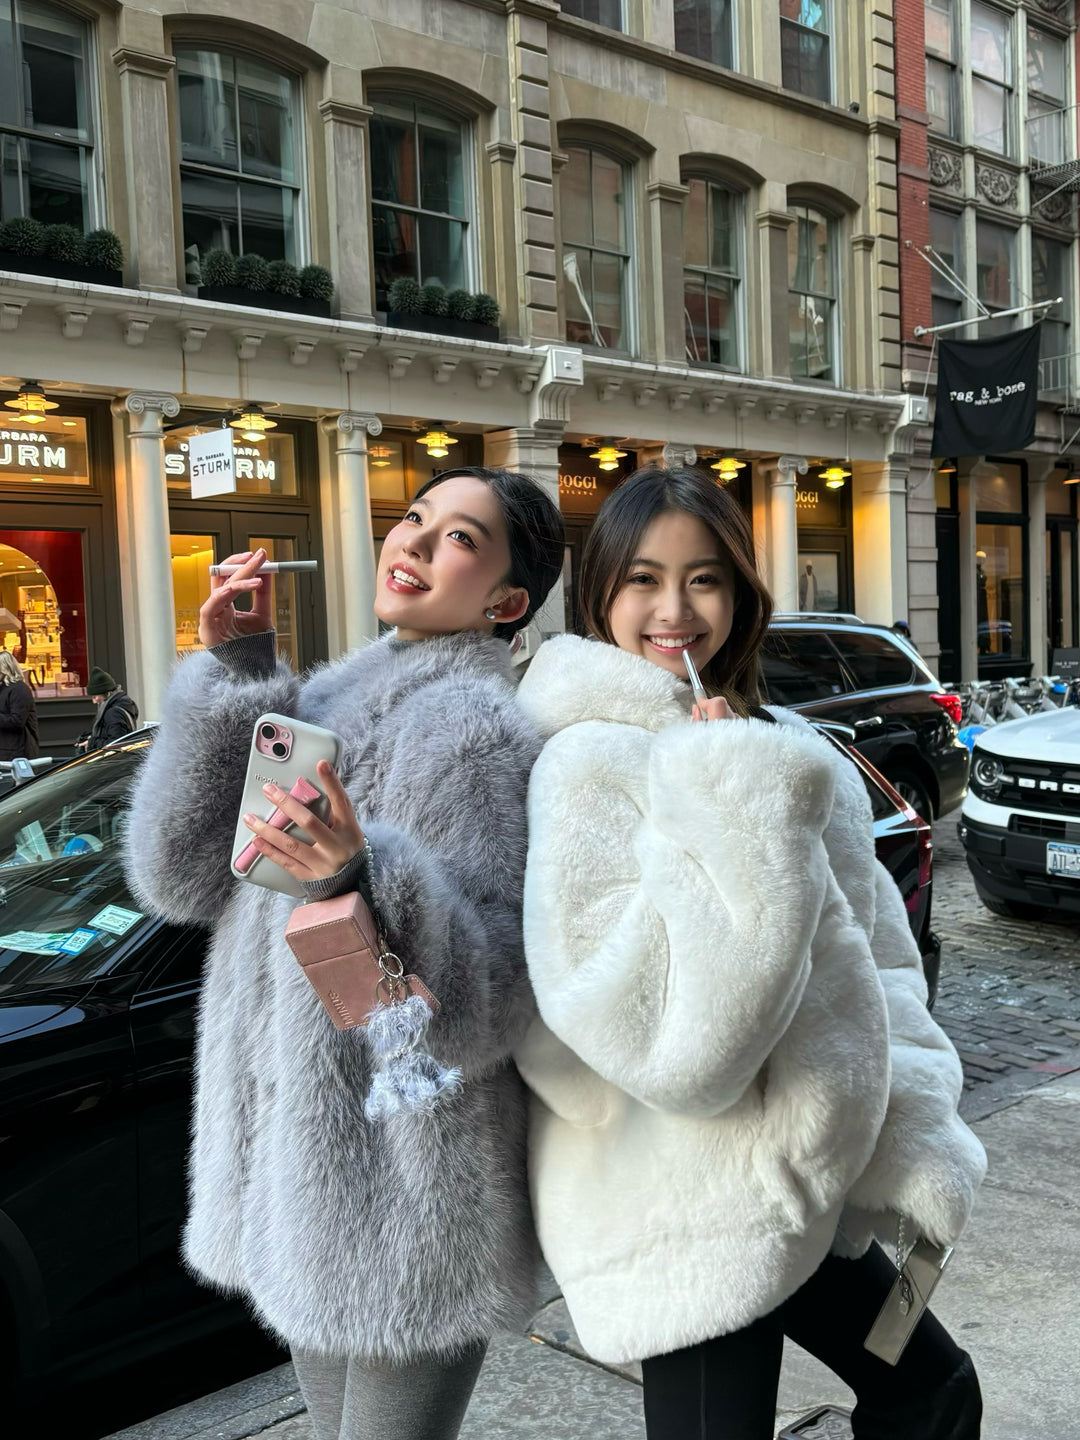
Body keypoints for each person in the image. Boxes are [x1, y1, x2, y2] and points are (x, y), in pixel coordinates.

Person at [515, 466, 986, 1440]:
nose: (673, 609)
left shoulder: (785, 747)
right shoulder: (581, 763)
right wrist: (719, 803)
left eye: (705, 578)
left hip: (808, 1190)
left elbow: (879, 964)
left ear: (740, 591)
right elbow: (664, 1046)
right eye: (643, 579)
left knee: (931, 1385)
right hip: (686, 1210)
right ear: (601, 590)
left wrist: (918, 1135)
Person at [124, 467, 564, 1440]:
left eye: (458, 537)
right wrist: (240, 674)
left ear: (507, 600)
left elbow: (484, 1006)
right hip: (309, 1174)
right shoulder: (326, 701)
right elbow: (185, 880)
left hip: (409, 1190)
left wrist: (358, 882)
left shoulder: (474, 732)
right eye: (413, 518)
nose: (412, 541)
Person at [78, 667, 139, 752]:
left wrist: (92, 743)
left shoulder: (113, 713)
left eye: (95, 696)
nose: (94, 701)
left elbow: (116, 744)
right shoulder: (123, 704)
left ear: (106, 694)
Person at [0, 651, 39, 761]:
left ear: (4, 669)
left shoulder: (19, 689)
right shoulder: (4, 689)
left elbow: (17, 720)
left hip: (15, 753)